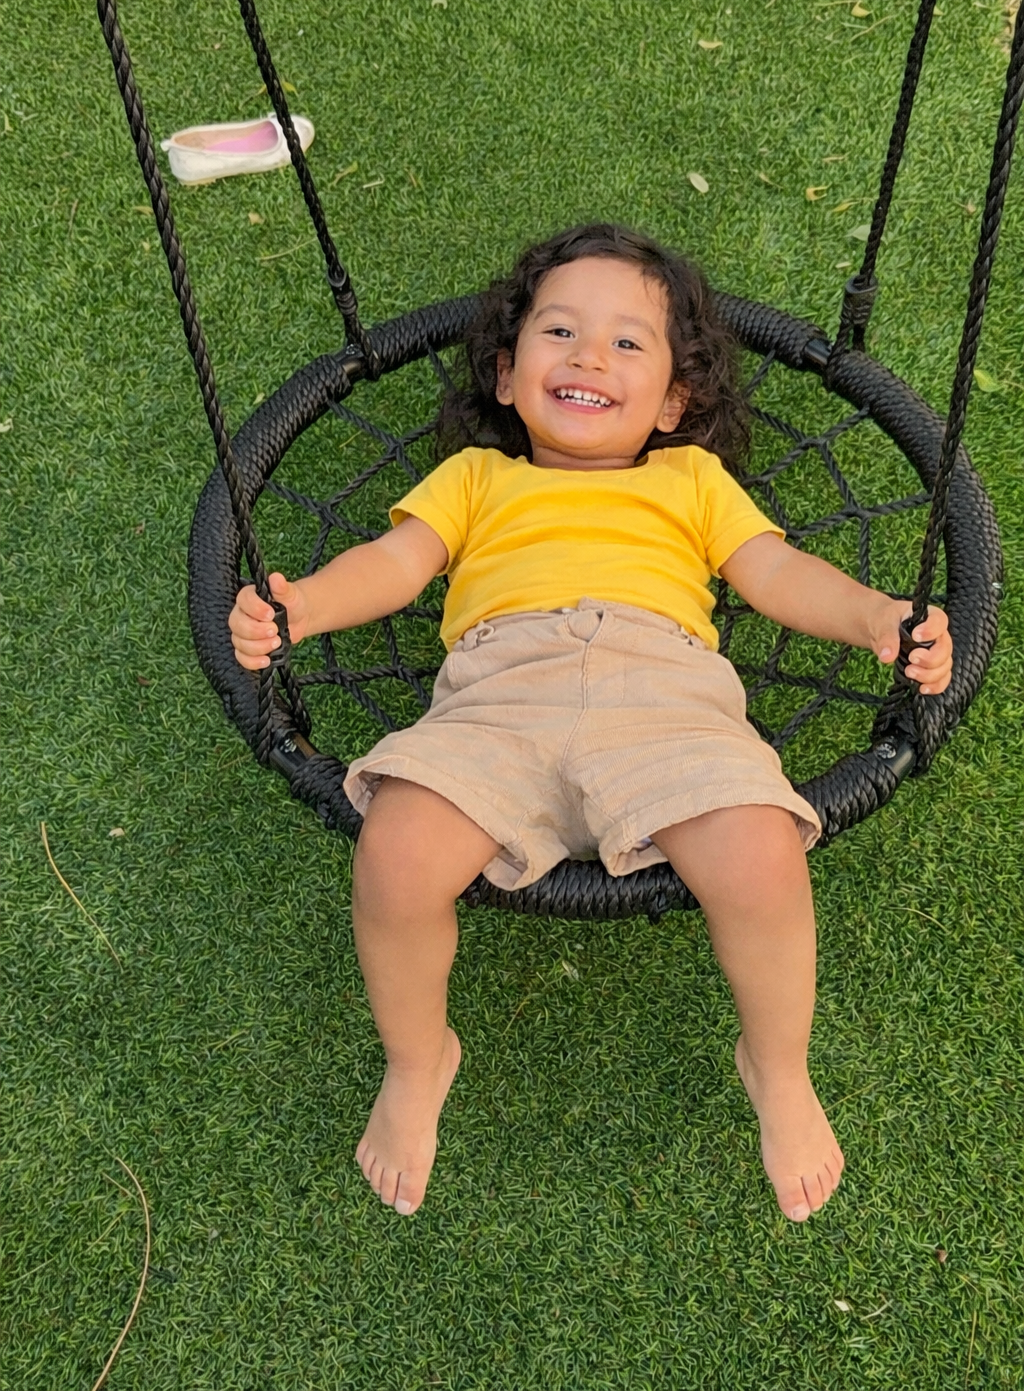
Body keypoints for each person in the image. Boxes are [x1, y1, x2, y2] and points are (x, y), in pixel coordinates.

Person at [228, 224, 952, 1222]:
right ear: (508, 376)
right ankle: (417, 1056)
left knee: (759, 858)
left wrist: (877, 616)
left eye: (626, 344)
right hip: (497, 702)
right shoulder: (476, 479)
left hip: (663, 699)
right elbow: (396, 566)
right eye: (559, 331)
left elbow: (776, 574)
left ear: (671, 404)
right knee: (395, 854)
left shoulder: (690, 483)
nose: (587, 357)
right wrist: (302, 602)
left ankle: (777, 1068)